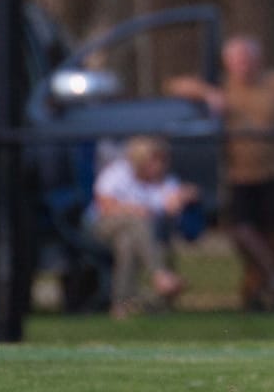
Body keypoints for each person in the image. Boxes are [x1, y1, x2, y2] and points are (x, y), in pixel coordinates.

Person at [167, 35, 274, 310]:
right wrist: (209, 95)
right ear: (227, 63)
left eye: (247, 59)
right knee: (241, 231)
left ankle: (264, 293)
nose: (243, 66)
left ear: (258, 60)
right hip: (239, 177)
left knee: (271, 234)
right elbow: (174, 85)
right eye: (236, 61)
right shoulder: (221, 85)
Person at [85, 135, 202, 317]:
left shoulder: (167, 182)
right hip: (101, 227)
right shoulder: (117, 173)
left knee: (127, 242)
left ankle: (121, 306)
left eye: (163, 161)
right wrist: (133, 209)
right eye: (154, 161)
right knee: (136, 220)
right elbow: (105, 206)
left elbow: (172, 208)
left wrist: (185, 195)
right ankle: (159, 274)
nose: (160, 166)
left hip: (138, 237)